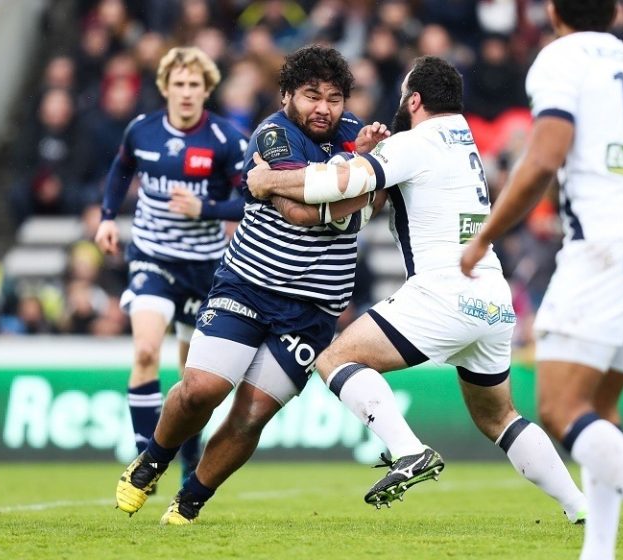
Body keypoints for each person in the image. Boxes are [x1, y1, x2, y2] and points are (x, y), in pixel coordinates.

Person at [245, 55, 587, 523]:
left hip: (443, 292)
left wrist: (267, 178)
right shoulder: (466, 140)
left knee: (335, 358)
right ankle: (580, 508)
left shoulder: (415, 141)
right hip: (491, 296)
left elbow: (335, 183)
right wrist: (363, 152)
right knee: (499, 418)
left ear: (415, 100)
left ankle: (408, 451)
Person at [459, 1, 623, 558]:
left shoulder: (560, 59)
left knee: (559, 408)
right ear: (617, 12)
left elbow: (545, 155)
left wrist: (485, 235)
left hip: (601, 244)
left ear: (552, 9)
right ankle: (598, 551)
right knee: (599, 409)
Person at [113, 45, 384, 525]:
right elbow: (298, 212)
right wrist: (355, 186)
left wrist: (348, 182)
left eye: (335, 97)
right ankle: (153, 458)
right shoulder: (272, 133)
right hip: (249, 285)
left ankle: (191, 500)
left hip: (314, 308)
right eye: (311, 95)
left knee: (252, 414)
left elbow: (371, 203)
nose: (323, 107)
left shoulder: (355, 137)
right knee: (200, 389)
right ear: (285, 96)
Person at [94, 46, 248, 484]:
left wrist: (206, 208)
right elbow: (120, 170)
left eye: (193, 85)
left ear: (206, 89)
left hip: (206, 268)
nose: (185, 93)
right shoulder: (142, 130)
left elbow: (248, 200)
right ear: (165, 88)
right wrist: (107, 217)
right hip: (151, 257)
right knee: (144, 350)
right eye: (178, 84)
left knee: (191, 386)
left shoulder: (225, 140)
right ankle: (146, 462)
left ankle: (187, 460)